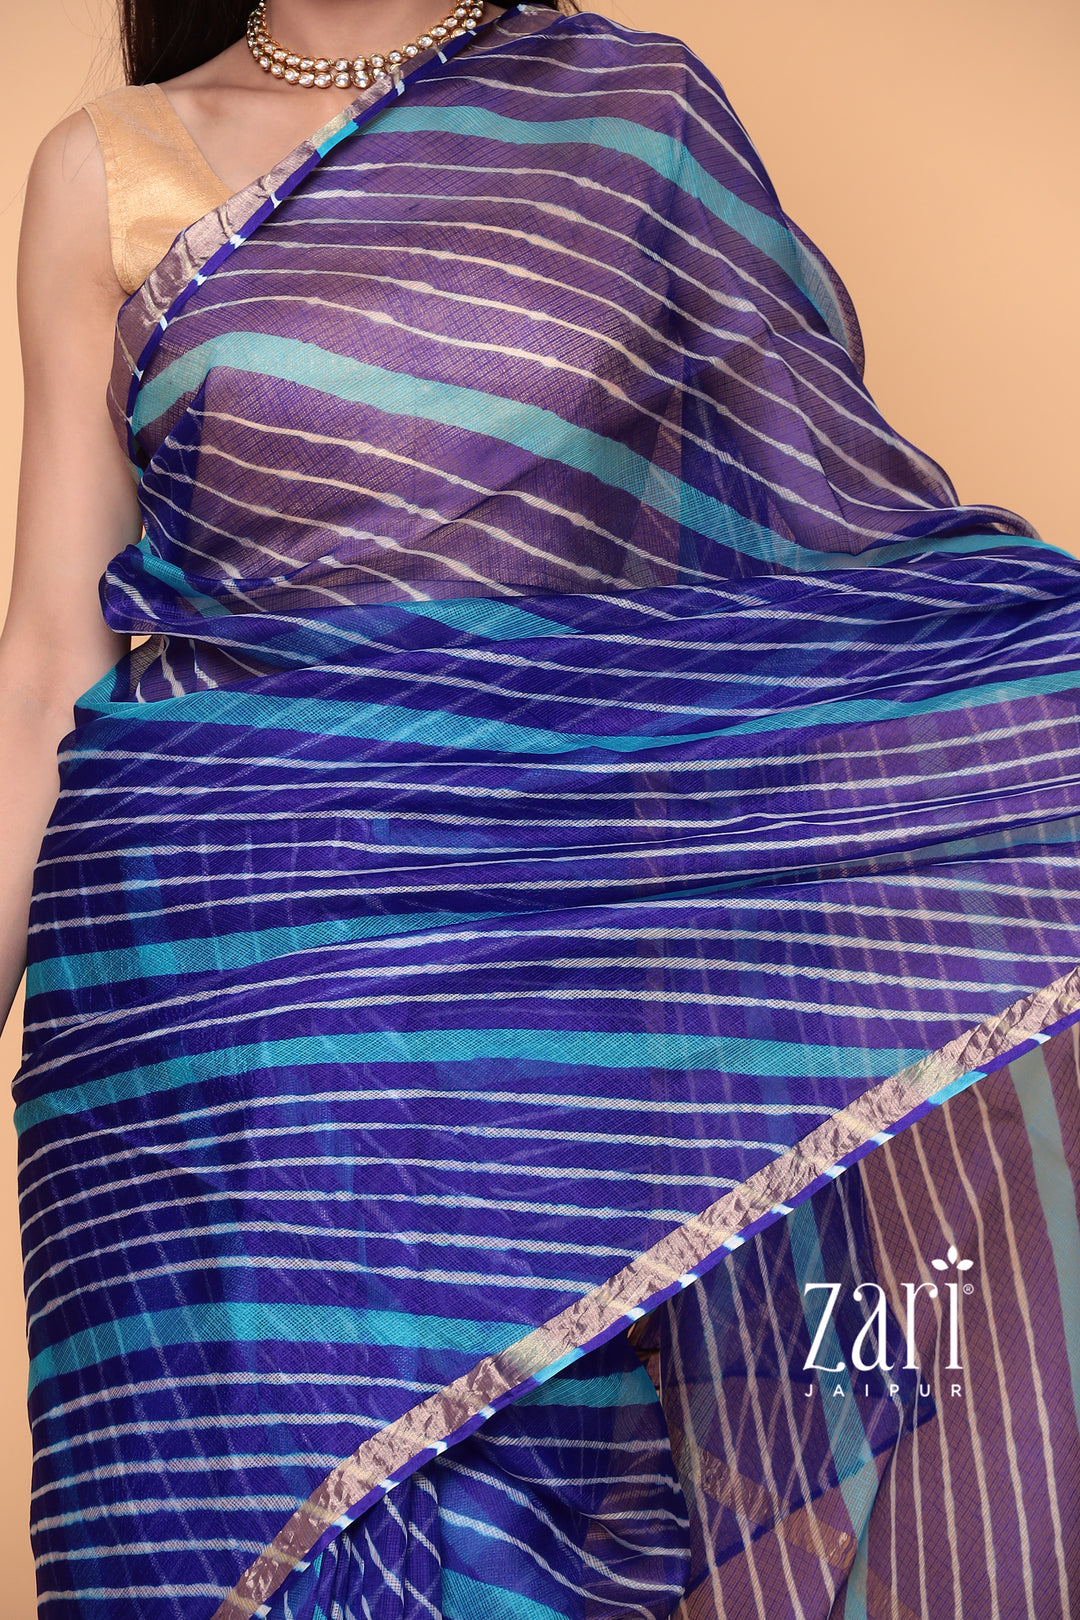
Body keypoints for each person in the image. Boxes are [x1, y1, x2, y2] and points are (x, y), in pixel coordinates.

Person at [4, 1, 1080, 1616]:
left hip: (561, 1052)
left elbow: (817, 562)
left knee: (549, 1554)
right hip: (221, 1042)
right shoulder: (112, 167)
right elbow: (47, 661)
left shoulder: (625, 115)